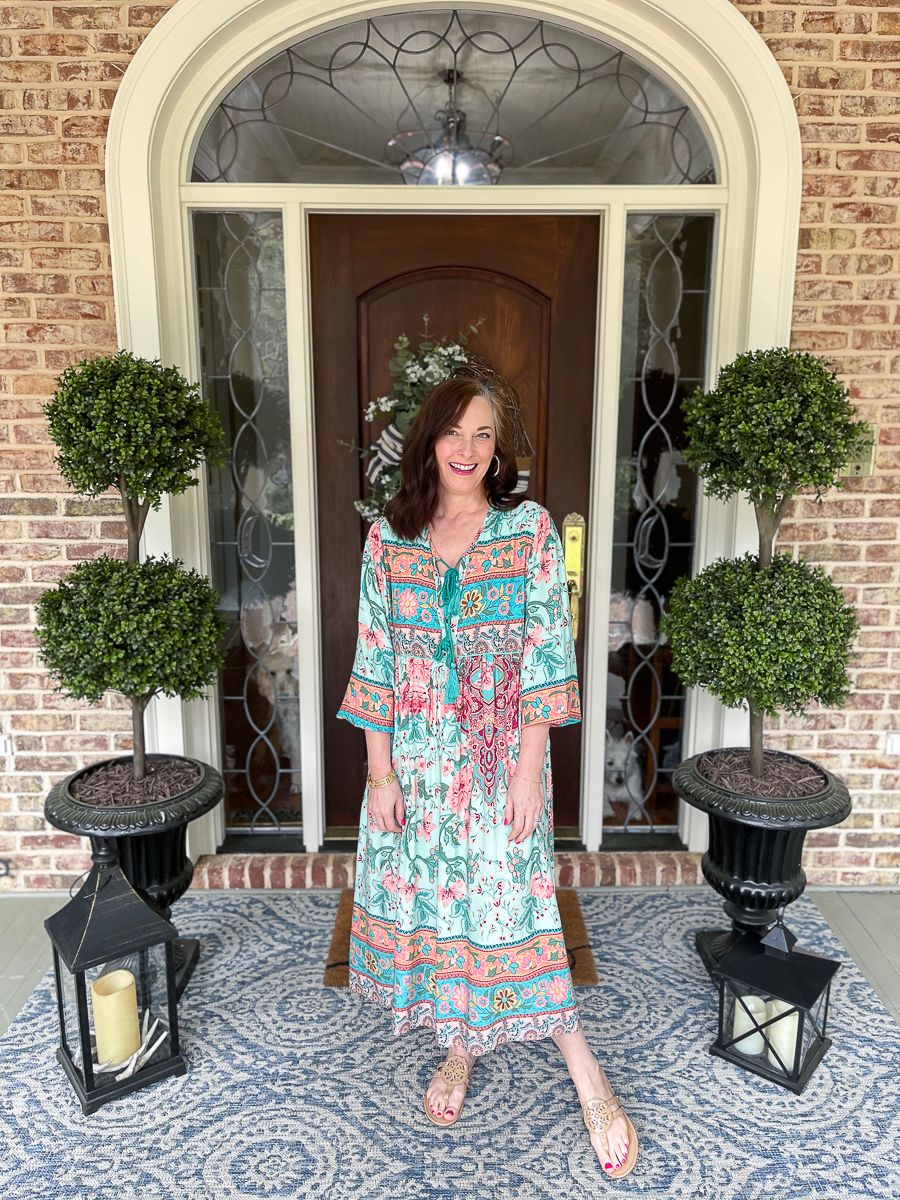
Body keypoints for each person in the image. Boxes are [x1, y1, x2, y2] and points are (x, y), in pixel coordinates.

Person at [338, 374, 638, 1179]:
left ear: (496, 448)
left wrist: (529, 776)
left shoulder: (528, 531)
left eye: (483, 435)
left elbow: (546, 657)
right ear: (426, 442)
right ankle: (460, 1045)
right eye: (453, 433)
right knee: (441, 910)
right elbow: (375, 661)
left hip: (500, 761)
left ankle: (587, 1075)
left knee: (519, 910)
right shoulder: (386, 541)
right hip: (417, 769)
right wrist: (381, 777)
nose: (468, 450)